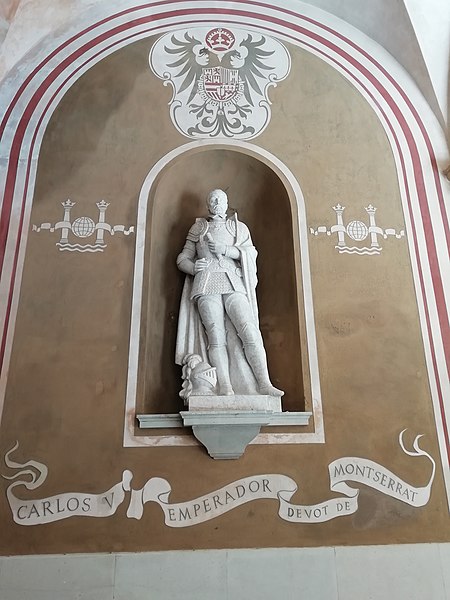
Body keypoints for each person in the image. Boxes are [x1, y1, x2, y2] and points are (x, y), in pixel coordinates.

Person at [175, 189, 283, 397]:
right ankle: (224, 386)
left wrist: (226, 249)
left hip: (233, 281)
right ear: (208, 204)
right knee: (215, 336)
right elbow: (182, 258)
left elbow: (250, 253)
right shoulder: (198, 227)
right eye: (213, 199)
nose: (216, 202)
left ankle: (264, 383)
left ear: (226, 203)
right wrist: (193, 266)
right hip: (206, 282)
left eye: (220, 199)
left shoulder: (237, 227)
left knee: (249, 330)